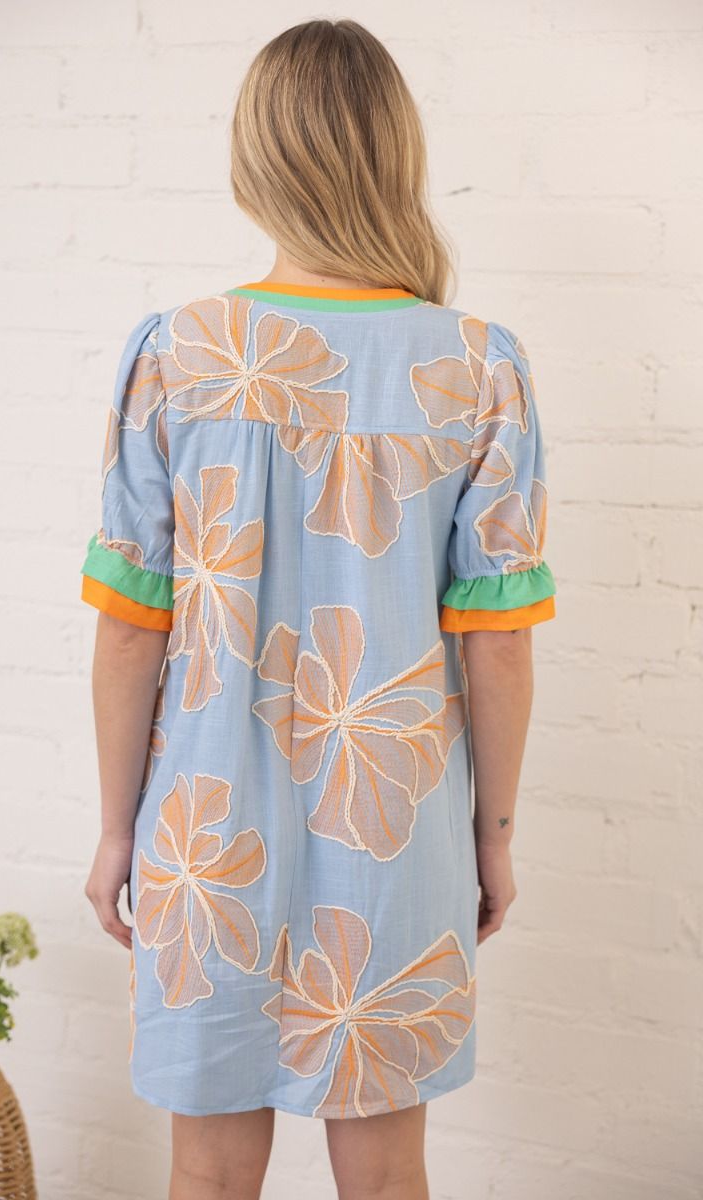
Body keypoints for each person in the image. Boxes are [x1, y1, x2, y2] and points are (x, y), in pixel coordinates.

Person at [80, 17, 557, 1200]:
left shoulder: (179, 354)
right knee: (387, 1174)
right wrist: (491, 837)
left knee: (206, 1173)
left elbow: (132, 625)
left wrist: (116, 829)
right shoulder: (478, 366)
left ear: (255, 156)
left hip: (202, 828)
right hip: (400, 827)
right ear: (394, 153)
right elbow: (495, 647)